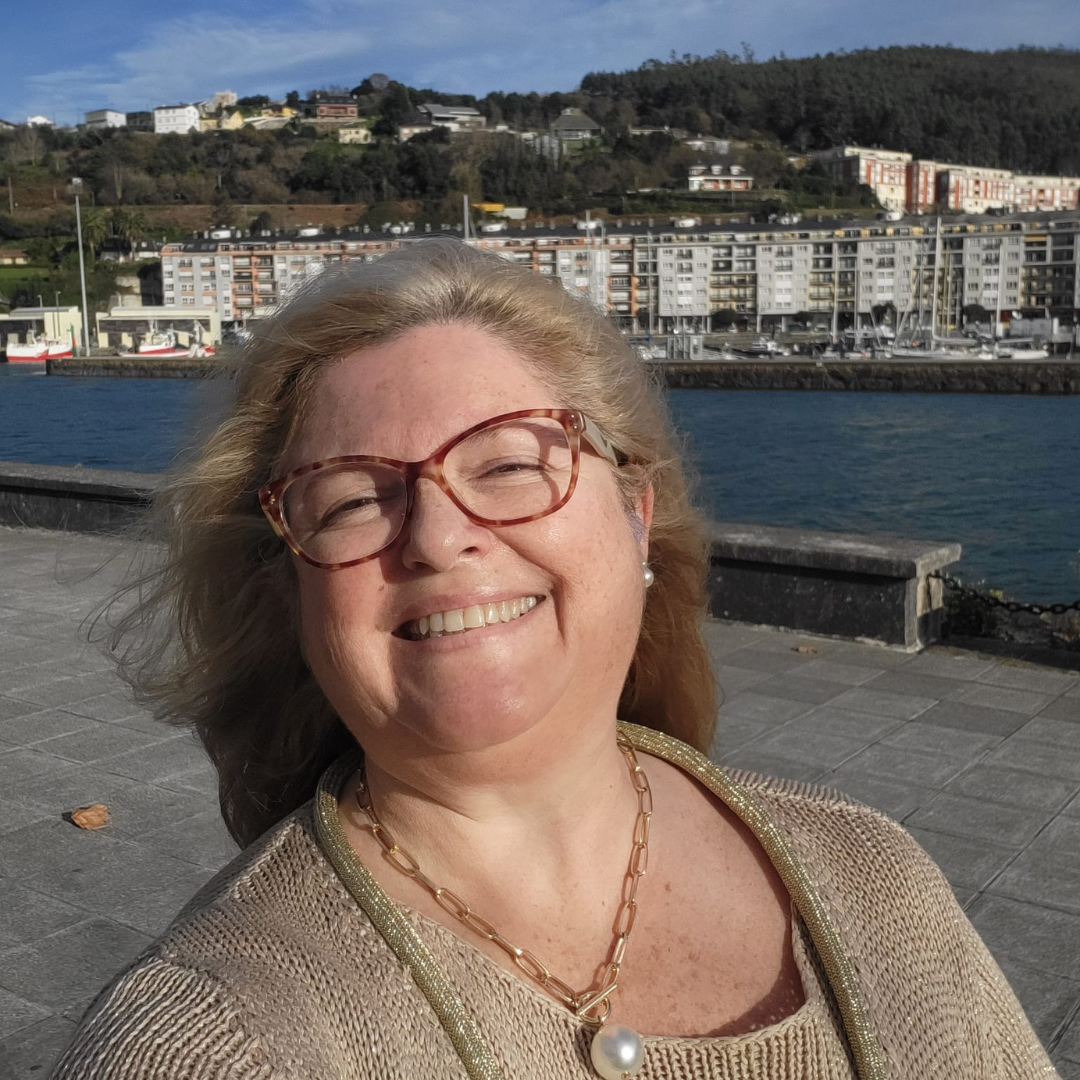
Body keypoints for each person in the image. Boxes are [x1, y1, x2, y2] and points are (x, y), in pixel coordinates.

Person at [54, 240, 1056, 1080]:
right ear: (291, 589)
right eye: (356, 496)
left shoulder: (873, 875)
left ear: (636, 512)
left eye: (507, 463)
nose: (439, 537)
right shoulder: (208, 1040)